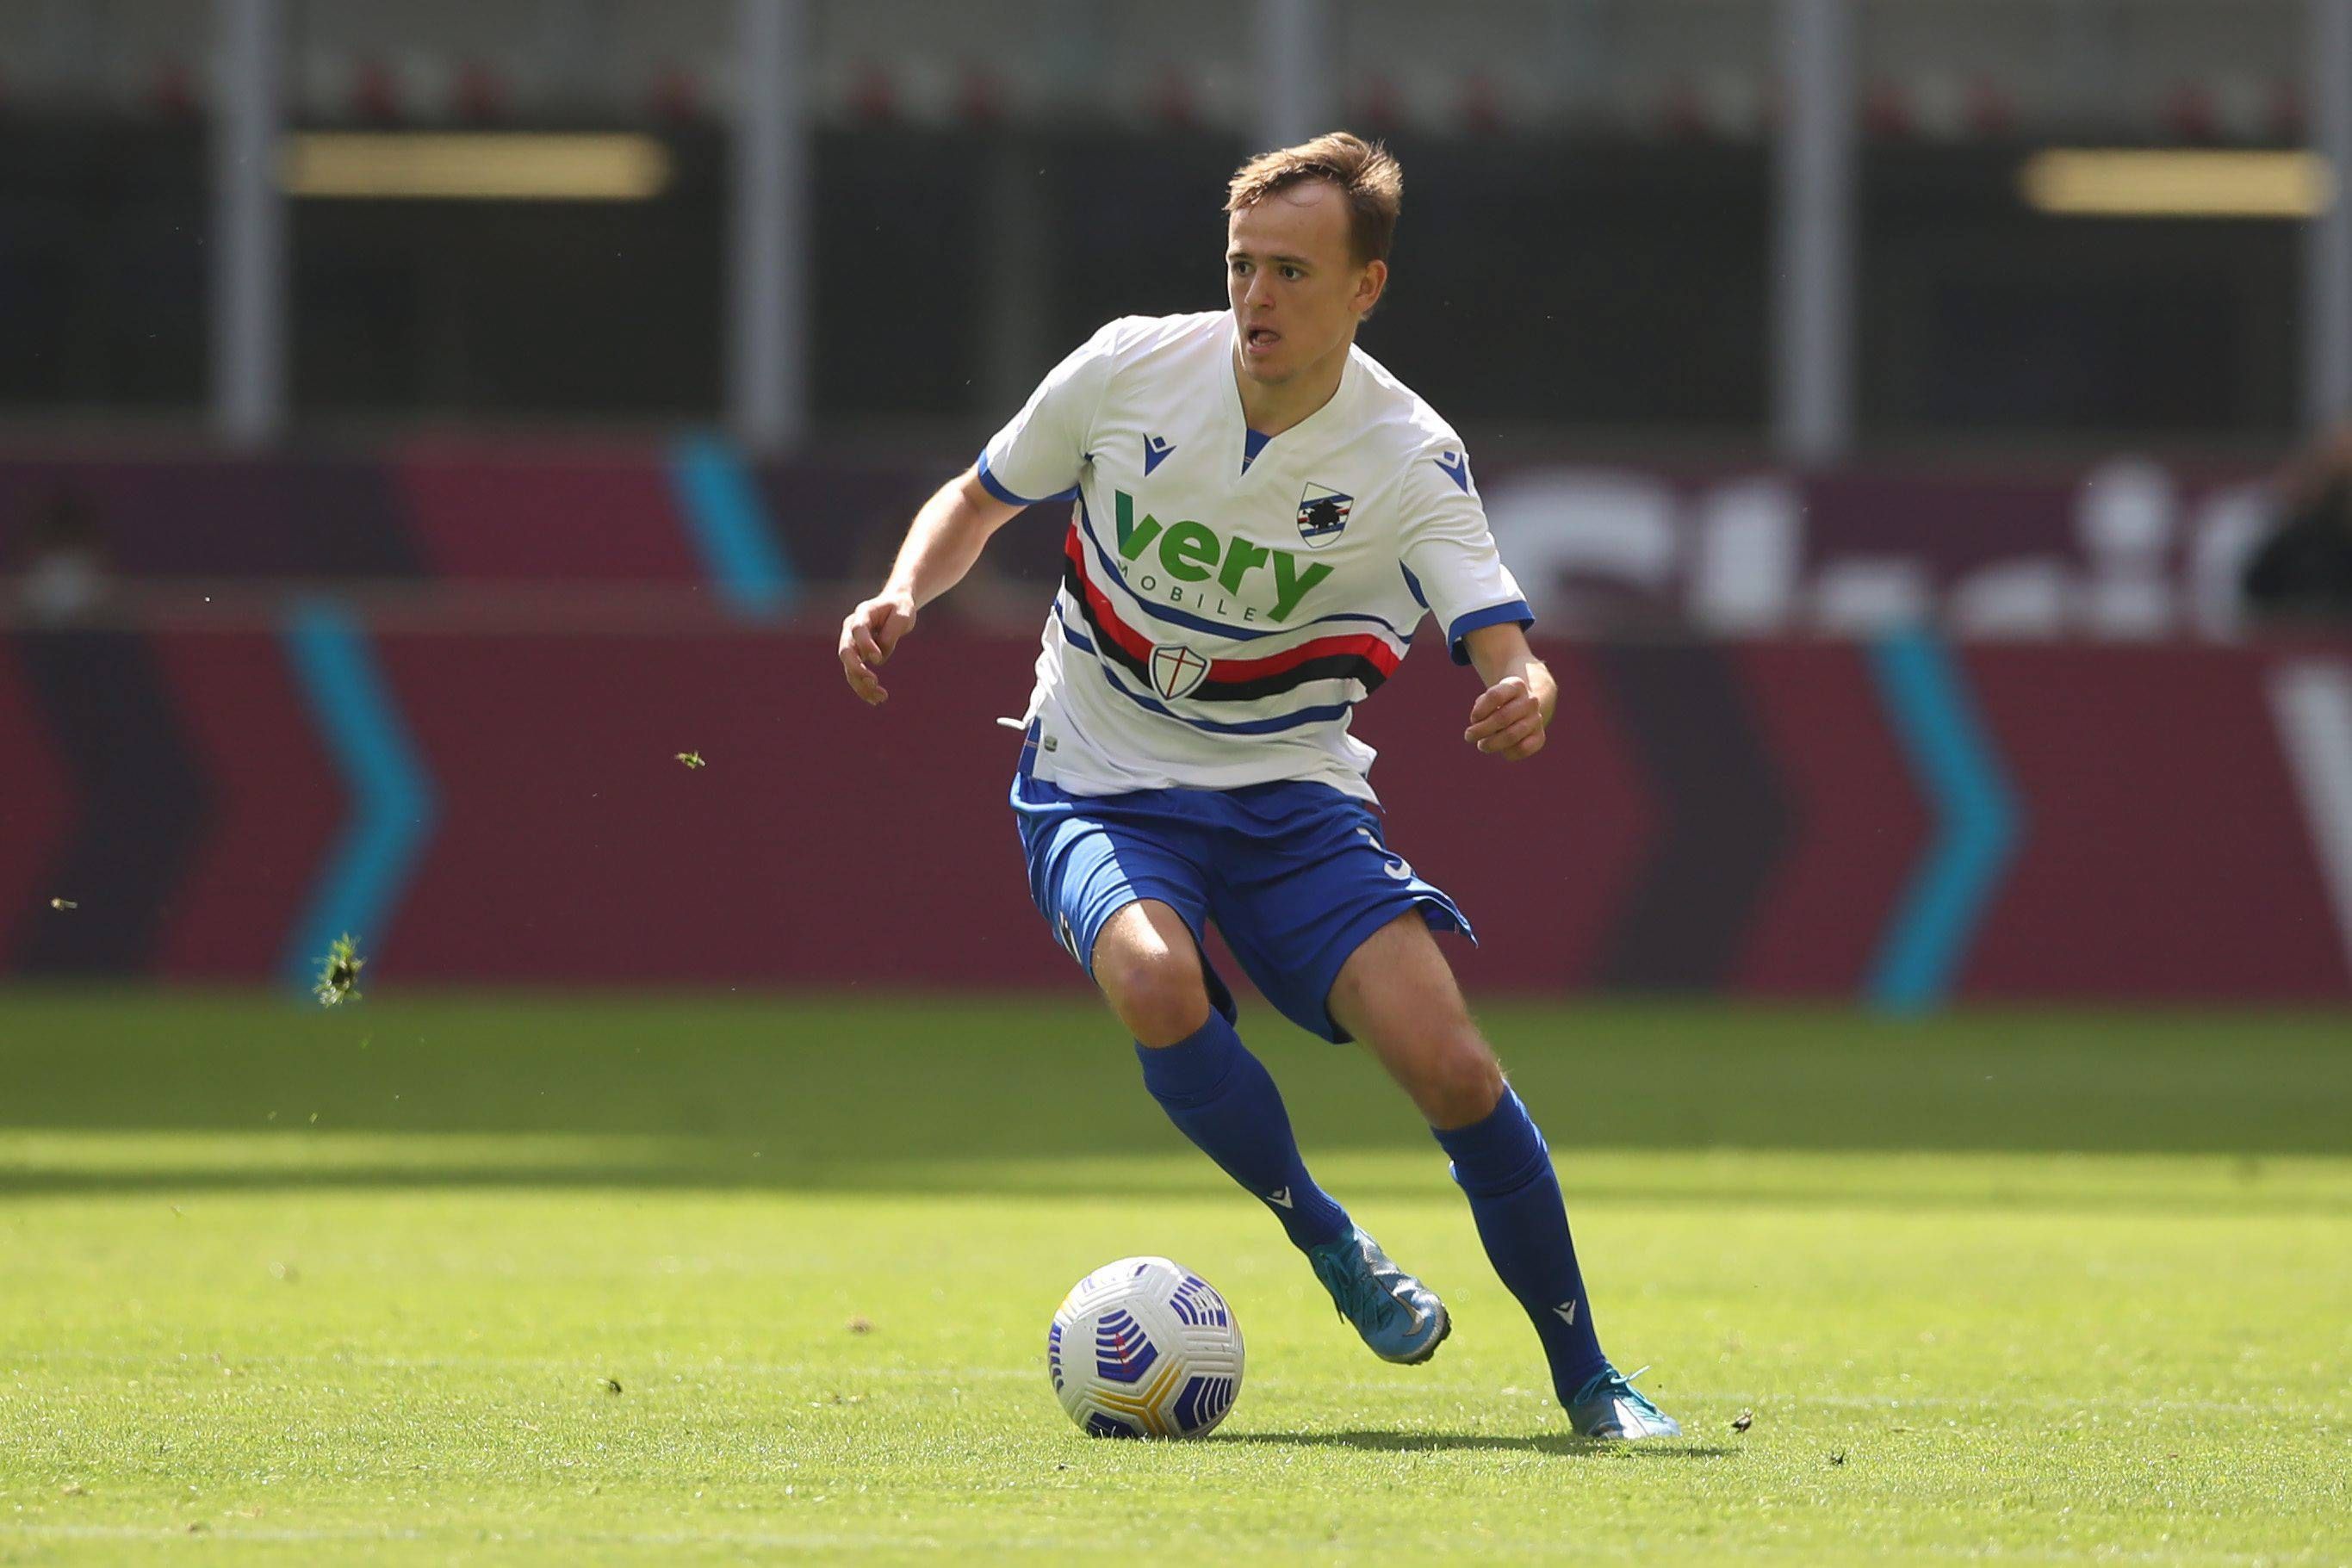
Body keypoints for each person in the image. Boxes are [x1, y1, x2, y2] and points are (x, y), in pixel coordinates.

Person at [837, 132, 1678, 1440]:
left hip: (1292, 798)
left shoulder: (1407, 454)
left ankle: (1592, 1383)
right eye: (1242, 264)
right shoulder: (1128, 368)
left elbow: (1500, 634)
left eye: (1293, 270)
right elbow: (979, 498)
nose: (1257, 295)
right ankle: (1327, 1236)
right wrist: (903, 590)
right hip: (1099, 777)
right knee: (1152, 976)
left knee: (1456, 1069)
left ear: (1366, 287)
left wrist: (1528, 687)